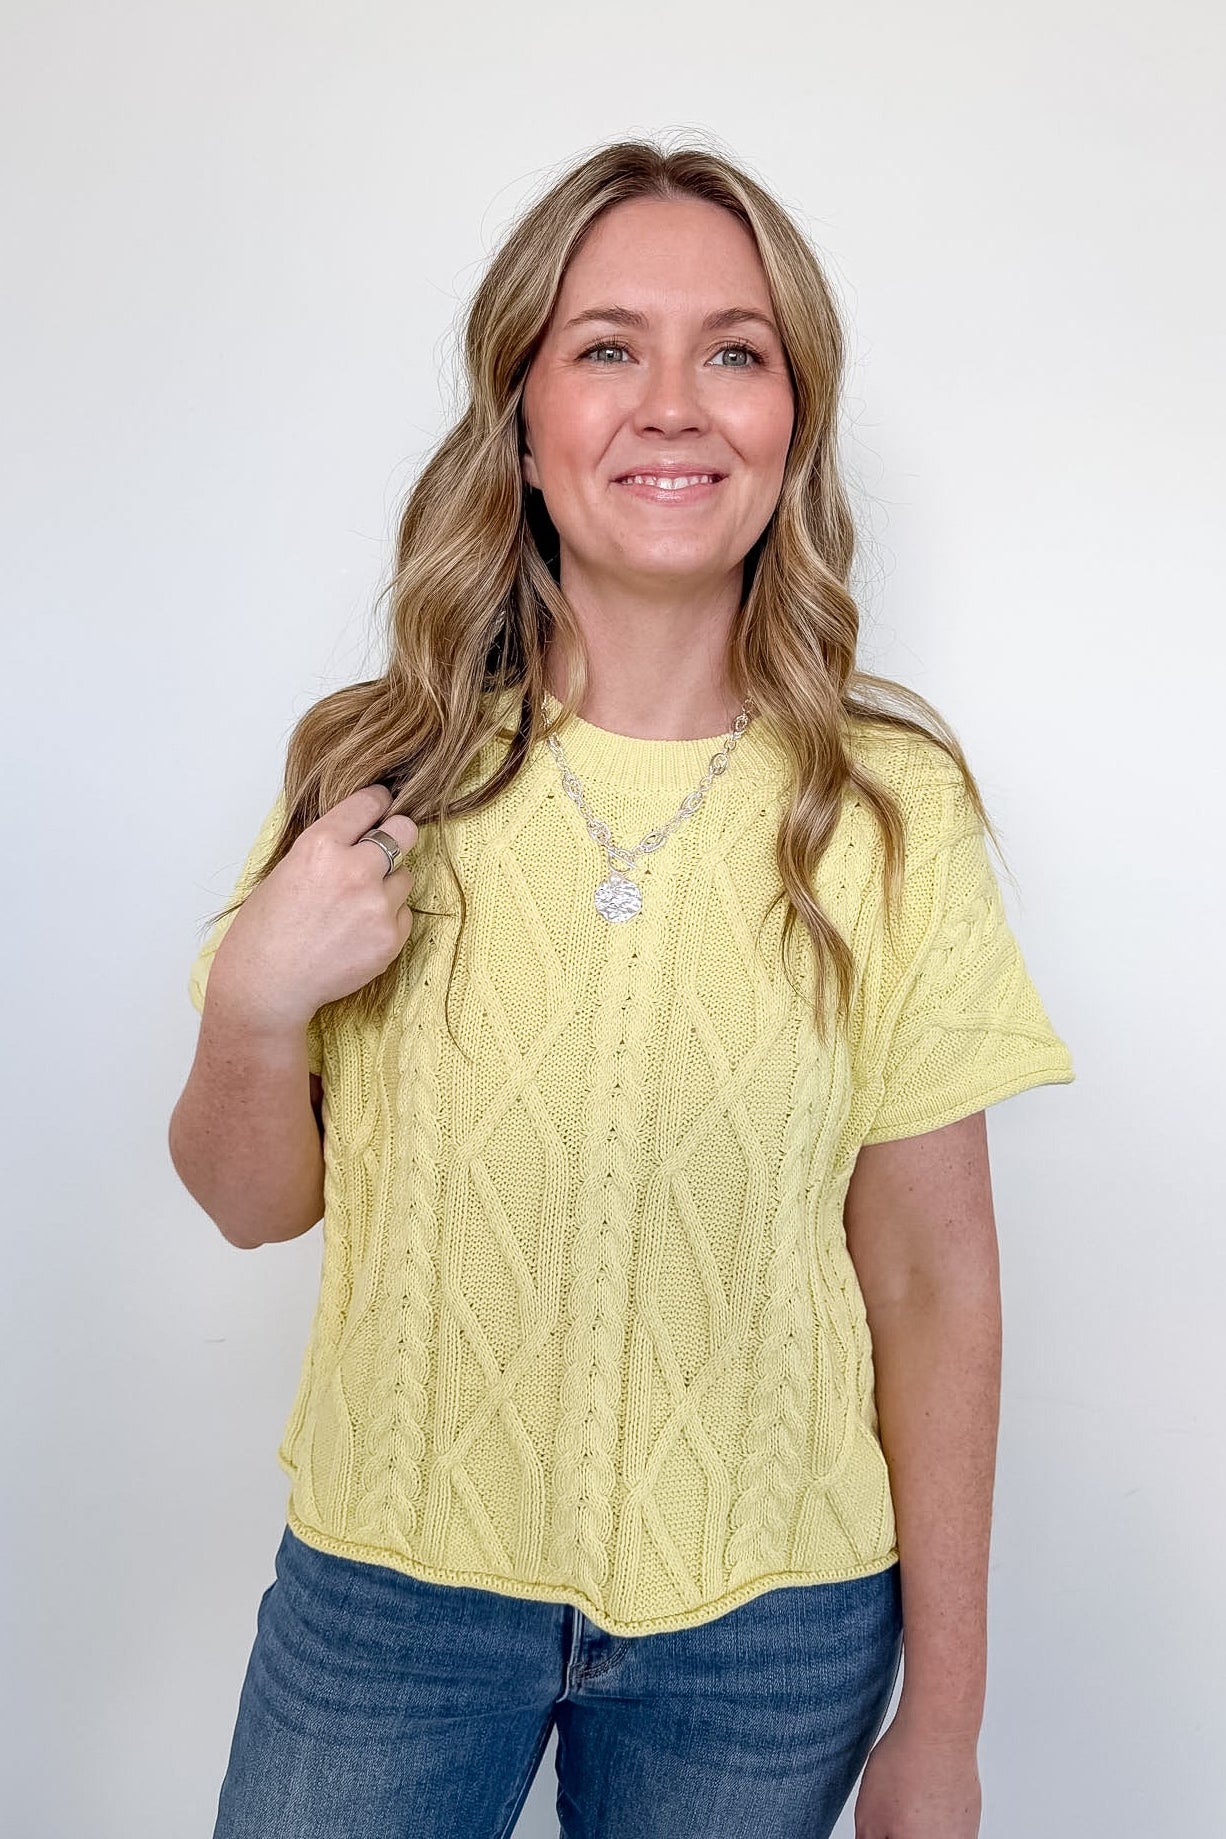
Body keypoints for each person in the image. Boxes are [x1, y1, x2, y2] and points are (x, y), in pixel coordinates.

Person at [169, 137, 1075, 1839]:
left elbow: (935, 1269)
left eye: (733, 351)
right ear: (520, 419)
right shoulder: (381, 771)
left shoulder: (887, 810)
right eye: (606, 347)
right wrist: (253, 1006)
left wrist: (941, 1723)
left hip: (770, 1627)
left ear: (789, 421)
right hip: (387, 1598)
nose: (673, 403)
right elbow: (247, 1206)